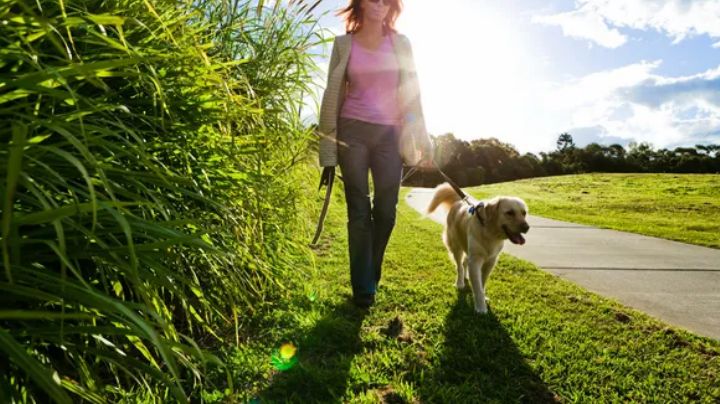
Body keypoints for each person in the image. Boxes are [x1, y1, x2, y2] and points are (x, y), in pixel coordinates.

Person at [317, 0, 432, 308]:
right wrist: (327, 144)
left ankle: (371, 270)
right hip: (351, 130)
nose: (379, 4)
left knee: (386, 210)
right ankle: (363, 289)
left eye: (385, 0)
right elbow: (332, 91)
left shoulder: (400, 43)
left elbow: (412, 89)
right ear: (361, 4)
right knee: (358, 209)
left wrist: (422, 134)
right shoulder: (344, 44)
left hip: (389, 135)